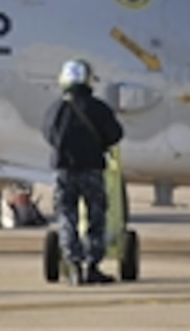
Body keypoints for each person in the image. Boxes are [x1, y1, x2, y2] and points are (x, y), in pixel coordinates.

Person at [41, 58, 124, 286]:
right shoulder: (98, 108)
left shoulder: (55, 110)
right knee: (96, 216)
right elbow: (115, 134)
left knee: (67, 215)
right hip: (91, 169)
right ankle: (92, 266)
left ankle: (73, 263)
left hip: (63, 170)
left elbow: (48, 134)